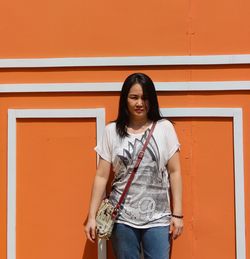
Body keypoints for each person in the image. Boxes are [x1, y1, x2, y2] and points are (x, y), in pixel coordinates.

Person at [84, 73, 183, 259]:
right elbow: (101, 176)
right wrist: (91, 216)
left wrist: (177, 215)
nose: (140, 103)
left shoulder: (165, 128)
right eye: (134, 97)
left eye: (145, 98)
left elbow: (175, 172)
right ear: (125, 99)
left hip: (158, 218)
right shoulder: (111, 131)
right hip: (121, 218)